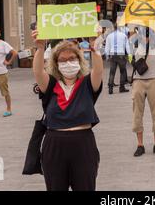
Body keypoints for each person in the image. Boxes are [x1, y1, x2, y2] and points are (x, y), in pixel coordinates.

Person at [32, 30, 103, 191]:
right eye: (62, 60)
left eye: (72, 58)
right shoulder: (50, 85)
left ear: (79, 60)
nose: (68, 63)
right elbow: (37, 72)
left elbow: (98, 71)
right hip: (54, 144)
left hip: (83, 143)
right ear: (56, 64)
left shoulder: (87, 84)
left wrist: (94, 46)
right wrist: (40, 48)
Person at [132, 27, 155, 157]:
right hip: (138, 80)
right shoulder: (134, 41)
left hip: (154, 79)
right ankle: (140, 145)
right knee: (137, 113)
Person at [105, 23, 131, 94]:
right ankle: (121, 88)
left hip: (112, 55)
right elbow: (127, 46)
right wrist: (129, 55)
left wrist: (107, 56)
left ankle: (110, 89)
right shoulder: (123, 36)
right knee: (122, 72)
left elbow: (107, 47)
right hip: (121, 55)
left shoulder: (109, 36)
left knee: (112, 72)